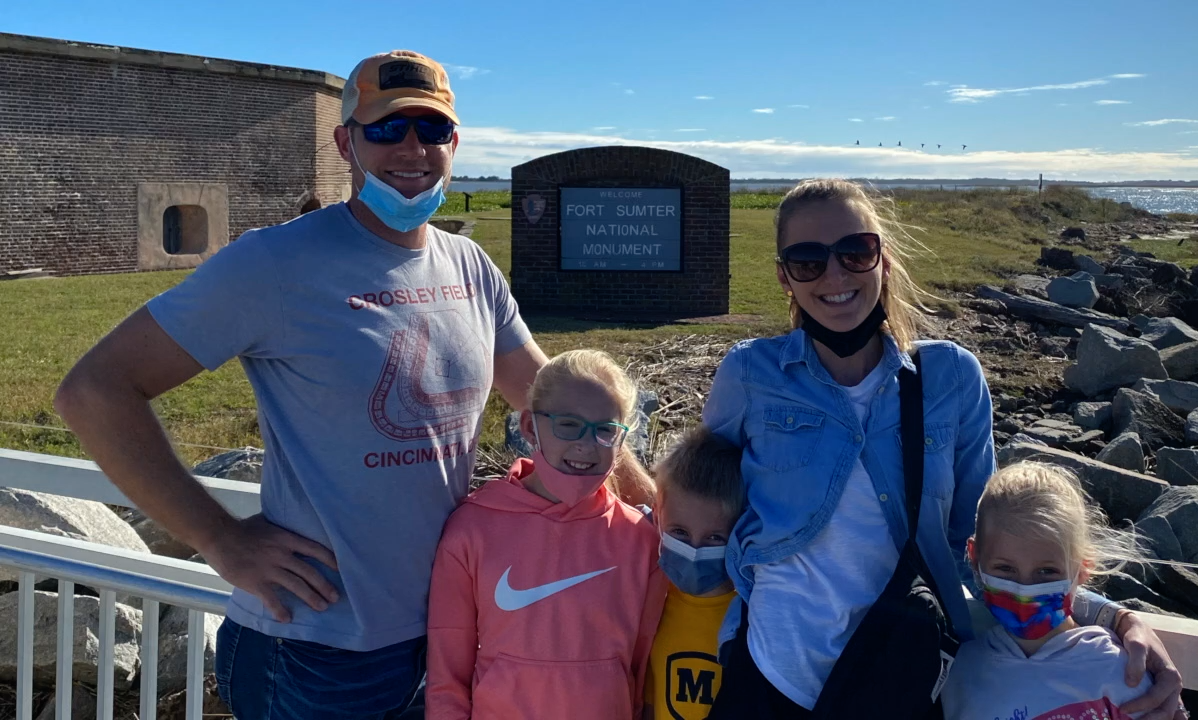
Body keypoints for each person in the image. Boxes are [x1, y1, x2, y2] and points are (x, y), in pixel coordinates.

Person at [54, 50, 649, 720]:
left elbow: (548, 396)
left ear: (455, 143)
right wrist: (219, 537)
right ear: (346, 142)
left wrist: (656, 512)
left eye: (433, 130)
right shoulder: (274, 262)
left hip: (451, 632)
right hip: (318, 649)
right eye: (387, 129)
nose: (413, 149)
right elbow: (95, 390)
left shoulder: (470, 265)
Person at [701, 179, 1185, 718]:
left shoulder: (950, 377)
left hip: (899, 678)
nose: (835, 275)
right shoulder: (749, 374)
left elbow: (983, 544)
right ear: (784, 276)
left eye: (855, 251)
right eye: (807, 260)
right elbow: (698, 503)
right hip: (769, 674)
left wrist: (1113, 618)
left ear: (883, 260)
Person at [426, 349, 666, 719]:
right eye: (568, 424)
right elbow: (447, 675)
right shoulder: (472, 530)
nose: (586, 444)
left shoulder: (641, 540)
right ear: (528, 426)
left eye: (605, 430)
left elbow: (645, 669)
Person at [943, 462, 1152, 719]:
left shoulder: (1119, 671)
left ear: (1083, 568)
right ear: (975, 559)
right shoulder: (961, 671)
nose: (1025, 590)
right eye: (1005, 569)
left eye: (1047, 572)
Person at [643, 425, 745, 720]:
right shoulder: (652, 600)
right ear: (658, 514)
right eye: (680, 533)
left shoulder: (752, 616)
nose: (695, 550)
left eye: (715, 538)